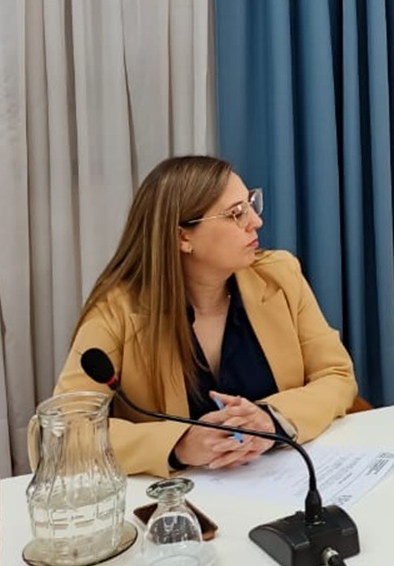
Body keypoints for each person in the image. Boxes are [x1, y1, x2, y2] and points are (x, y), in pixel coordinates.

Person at [53, 155, 357, 477]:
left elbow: (336, 374)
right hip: (179, 497)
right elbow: (60, 432)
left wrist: (272, 419)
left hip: (285, 478)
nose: (256, 221)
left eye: (251, 203)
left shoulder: (280, 276)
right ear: (183, 238)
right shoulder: (117, 311)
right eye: (236, 213)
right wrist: (179, 444)